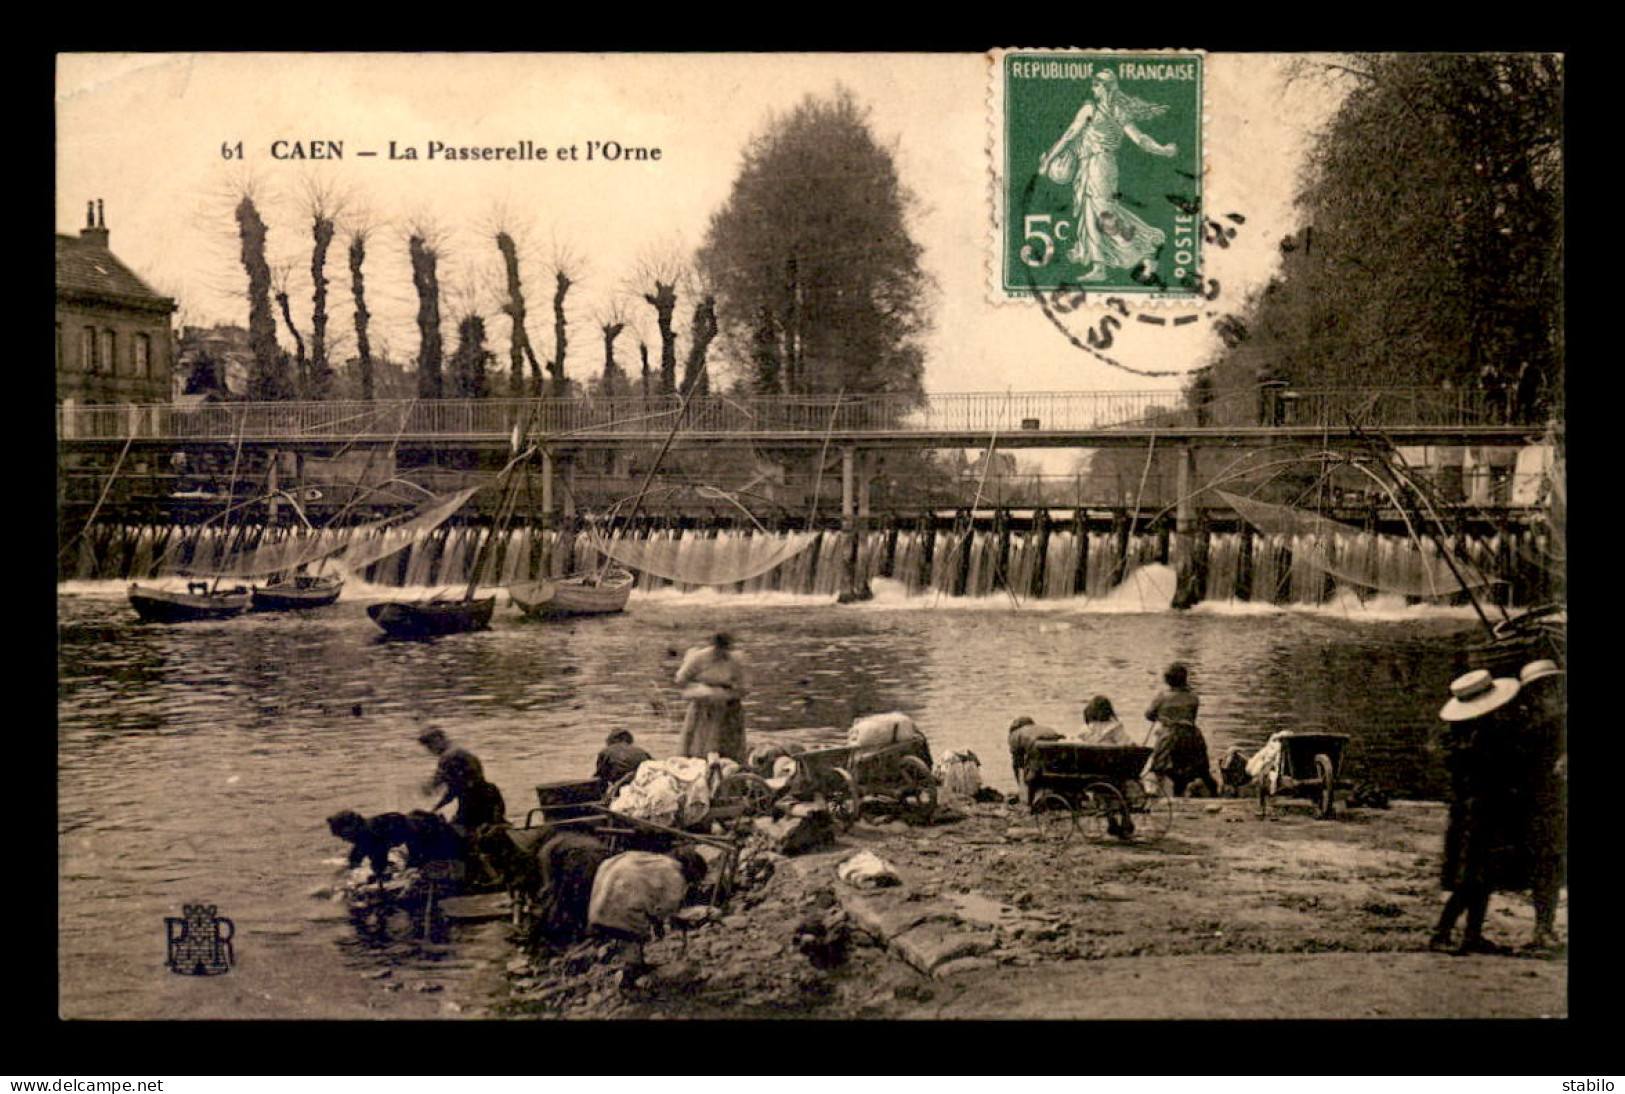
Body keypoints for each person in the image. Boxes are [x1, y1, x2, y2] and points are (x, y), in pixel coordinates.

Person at [1038, 69, 1179, 283]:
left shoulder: (1093, 109)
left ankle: (1145, 244)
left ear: (1106, 87)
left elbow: (1069, 136)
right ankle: (1111, 261)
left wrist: (1048, 160)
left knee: (1102, 214)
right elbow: (1140, 139)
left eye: (1096, 84)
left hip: (1098, 165)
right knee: (1096, 213)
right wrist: (1162, 149)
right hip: (1097, 165)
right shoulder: (1117, 110)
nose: (1093, 88)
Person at [1430, 668, 1524, 955]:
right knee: (1473, 876)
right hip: (1478, 811)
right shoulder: (1479, 738)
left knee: (1483, 875)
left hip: (1476, 809)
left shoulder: (1462, 736)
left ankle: (1472, 934)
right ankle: (1441, 933)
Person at [588, 848, 709, 986]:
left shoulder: (654, 860)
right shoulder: (675, 875)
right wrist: (668, 920)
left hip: (599, 902)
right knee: (633, 932)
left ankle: (627, 964)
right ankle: (632, 970)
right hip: (622, 905)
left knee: (625, 928)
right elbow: (667, 907)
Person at [1513, 659, 1566, 952]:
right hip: (1543, 807)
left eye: (1551, 686)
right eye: (1540, 689)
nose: (1547, 693)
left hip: (1555, 804)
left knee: (1552, 868)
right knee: (1546, 868)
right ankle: (1543, 927)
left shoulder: (1556, 722)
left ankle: (1545, 928)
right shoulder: (1532, 726)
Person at [674, 633, 749, 763]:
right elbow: (681, 680)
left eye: (725, 649)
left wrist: (730, 692)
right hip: (705, 705)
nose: (722, 652)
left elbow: (744, 686)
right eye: (719, 649)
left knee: (728, 746)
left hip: (727, 705)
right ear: (714, 646)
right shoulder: (699, 657)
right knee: (701, 742)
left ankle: (730, 765)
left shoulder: (735, 660)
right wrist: (703, 690)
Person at [1145, 663, 1216, 797]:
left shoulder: (1162, 697)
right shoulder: (1193, 697)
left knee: (1161, 769)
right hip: (1192, 735)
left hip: (1169, 737)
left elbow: (1149, 715)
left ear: (1167, 680)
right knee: (1200, 769)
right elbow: (1192, 715)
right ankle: (1212, 792)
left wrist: (1162, 715)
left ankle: (1161, 794)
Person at [419, 728, 506, 834]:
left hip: (475, 801)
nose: (430, 750)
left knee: (456, 833)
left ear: (439, 739)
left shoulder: (447, 757)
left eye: (430, 745)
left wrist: (435, 806)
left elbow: (448, 788)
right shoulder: (459, 750)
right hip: (491, 794)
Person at [1007, 716, 1064, 800]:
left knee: (1032, 767)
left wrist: (1020, 784)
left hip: (1037, 769)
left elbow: (1017, 763)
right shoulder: (1047, 729)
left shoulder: (1016, 734)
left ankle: (1030, 802)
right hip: (1057, 765)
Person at [594, 729, 652, 795]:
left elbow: (601, 777)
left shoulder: (605, 752)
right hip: (644, 785)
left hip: (623, 787)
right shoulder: (642, 751)